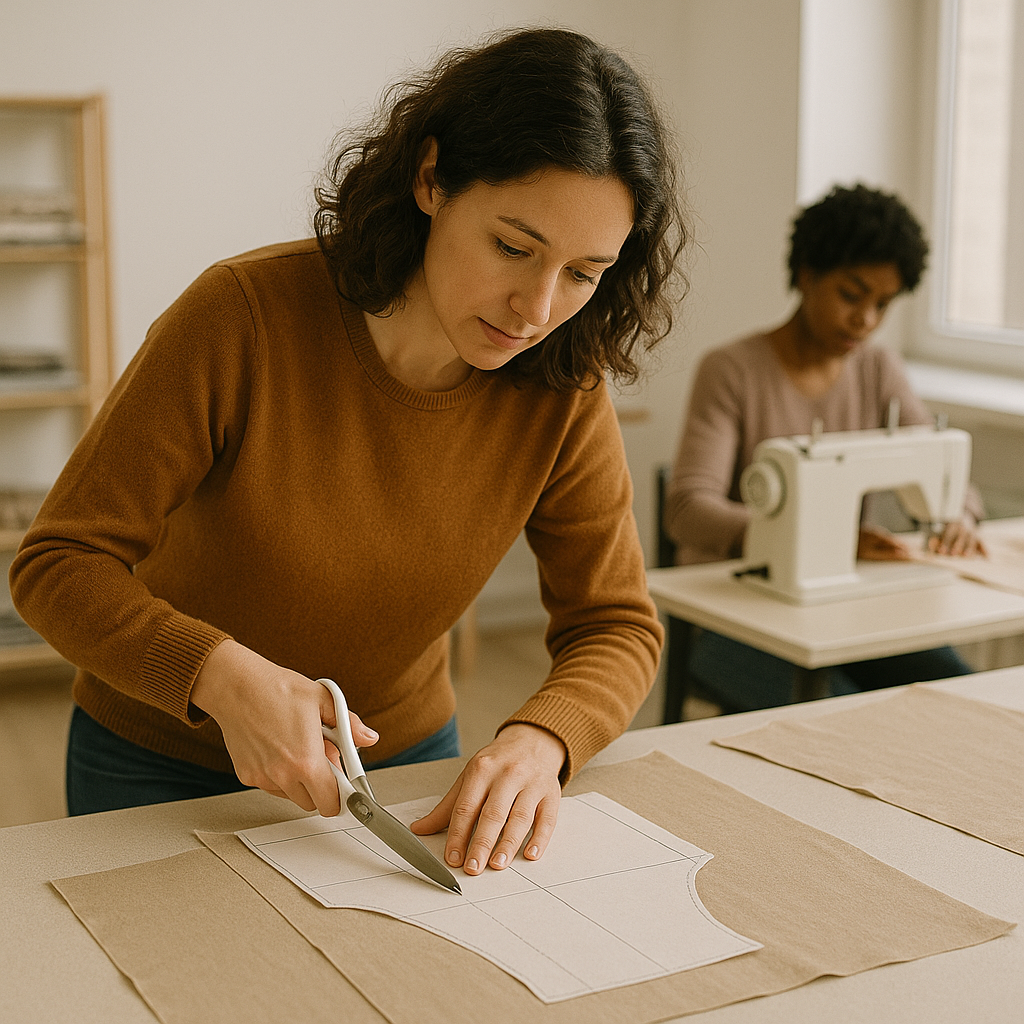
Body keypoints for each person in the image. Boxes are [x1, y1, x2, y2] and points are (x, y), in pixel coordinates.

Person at [10, 28, 686, 875]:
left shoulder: (563, 385)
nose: (537, 308)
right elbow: (58, 564)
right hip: (159, 764)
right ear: (431, 178)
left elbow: (615, 624)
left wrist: (544, 739)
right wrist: (218, 676)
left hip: (403, 765)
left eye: (584, 273)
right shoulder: (241, 316)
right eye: (513, 248)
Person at [663, 183, 983, 712]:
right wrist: (813, 542)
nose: (866, 320)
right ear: (807, 275)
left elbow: (944, 468)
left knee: (962, 698)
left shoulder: (878, 369)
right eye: (852, 295)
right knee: (855, 719)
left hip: (838, 605)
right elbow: (688, 511)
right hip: (731, 613)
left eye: (883, 304)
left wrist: (960, 518)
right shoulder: (732, 371)